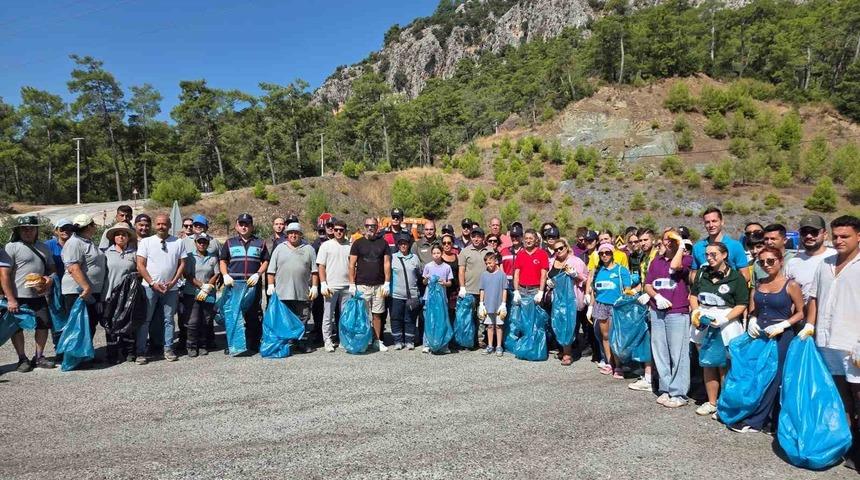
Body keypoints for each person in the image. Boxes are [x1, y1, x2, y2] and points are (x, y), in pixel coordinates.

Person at [806, 215, 860, 469]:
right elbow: (814, 298)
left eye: (845, 236)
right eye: (835, 236)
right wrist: (809, 325)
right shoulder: (824, 263)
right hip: (827, 342)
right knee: (839, 398)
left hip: (854, 345)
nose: (839, 241)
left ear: (858, 236)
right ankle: (845, 446)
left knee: (858, 397)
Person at [733, 246, 804, 433]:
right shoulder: (759, 284)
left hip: (781, 336)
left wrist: (784, 324)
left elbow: (801, 312)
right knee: (757, 375)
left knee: (773, 377)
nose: (766, 265)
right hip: (761, 335)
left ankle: (758, 421)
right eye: (762, 261)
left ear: (780, 261)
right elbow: (754, 308)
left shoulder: (791, 285)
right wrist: (752, 319)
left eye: (770, 261)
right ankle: (757, 415)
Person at [689, 242, 749, 414]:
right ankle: (712, 402)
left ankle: (725, 404)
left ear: (724, 255)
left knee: (724, 364)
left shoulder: (736, 277)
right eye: (707, 254)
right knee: (708, 363)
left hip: (725, 325)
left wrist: (725, 318)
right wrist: (696, 312)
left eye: (714, 254)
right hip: (704, 323)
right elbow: (693, 295)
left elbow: (742, 303)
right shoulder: (701, 274)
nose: (709, 258)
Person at [638, 230, 692, 404]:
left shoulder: (686, 259)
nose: (668, 242)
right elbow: (647, 284)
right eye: (666, 239)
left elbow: (675, 267)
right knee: (660, 351)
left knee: (678, 353)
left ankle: (679, 392)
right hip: (657, 311)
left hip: (677, 311)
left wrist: (680, 246)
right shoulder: (656, 262)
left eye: (672, 239)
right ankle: (666, 387)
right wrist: (657, 297)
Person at [4, 216, 56, 371]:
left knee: (43, 324)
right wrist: (10, 298)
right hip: (18, 295)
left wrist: (49, 280)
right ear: (18, 230)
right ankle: (22, 359)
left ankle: (39, 357)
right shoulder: (11, 247)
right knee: (16, 328)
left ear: (36, 230)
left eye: (31, 228)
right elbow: (4, 275)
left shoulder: (44, 247)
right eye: (24, 228)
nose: (27, 231)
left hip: (38, 294)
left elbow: (52, 269)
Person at [136, 214, 186, 363]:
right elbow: (140, 265)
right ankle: (141, 351)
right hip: (150, 287)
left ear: (170, 225)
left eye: (164, 224)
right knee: (145, 320)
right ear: (154, 226)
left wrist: (173, 282)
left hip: (170, 289)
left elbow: (182, 263)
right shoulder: (146, 242)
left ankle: (168, 349)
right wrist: (152, 283)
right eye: (158, 224)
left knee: (169, 320)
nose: (161, 227)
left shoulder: (178, 242)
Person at [220, 213, 269, 354]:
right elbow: (223, 260)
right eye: (241, 224)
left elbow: (266, 260)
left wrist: (258, 274)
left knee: (253, 314)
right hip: (234, 285)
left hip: (252, 284)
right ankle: (232, 344)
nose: (244, 227)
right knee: (233, 315)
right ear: (236, 226)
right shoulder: (229, 243)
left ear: (252, 226)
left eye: (247, 224)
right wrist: (225, 275)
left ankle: (253, 343)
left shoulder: (260, 243)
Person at [266, 222, 319, 353]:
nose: (293, 235)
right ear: (287, 234)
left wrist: (315, 287)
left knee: (302, 319)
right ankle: (285, 343)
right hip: (283, 293)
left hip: (302, 293)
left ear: (301, 234)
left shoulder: (309, 249)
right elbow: (271, 270)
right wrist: (271, 285)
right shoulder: (279, 248)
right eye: (290, 233)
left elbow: (314, 271)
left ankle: (299, 342)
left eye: (296, 233)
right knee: (284, 319)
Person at [586, 243, 632, 379]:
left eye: (607, 253)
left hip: (616, 307)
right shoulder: (598, 271)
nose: (605, 255)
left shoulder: (621, 270)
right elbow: (594, 290)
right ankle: (609, 363)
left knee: (614, 336)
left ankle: (619, 365)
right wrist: (590, 306)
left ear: (613, 254)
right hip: (601, 306)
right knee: (605, 336)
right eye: (602, 253)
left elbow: (627, 290)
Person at [61, 214, 107, 343]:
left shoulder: (87, 241)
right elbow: (73, 267)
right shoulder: (74, 243)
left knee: (90, 323)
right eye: (93, 224)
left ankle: (85, 354)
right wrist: (86, 287)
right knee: (78, 325)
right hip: (78, 291)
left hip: (91, 291)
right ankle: (75, 358)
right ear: (89, 226)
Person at [348, 217, 391, 351]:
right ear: (364, 227)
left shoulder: (383, 243)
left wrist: (387, 282)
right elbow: (351, 264)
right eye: (368, 225)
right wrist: (352, 284)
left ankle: (377, 341)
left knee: (377, 314)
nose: (370, 228)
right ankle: (363, 340)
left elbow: (386, 263)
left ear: (377, 227)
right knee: (362, 315)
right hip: (362, 285)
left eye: (373, 225)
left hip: (378, 285)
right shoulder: (357, 243)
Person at [546, 237, 587, 365]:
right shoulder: (552, 261)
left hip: (571, 298)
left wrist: (576, 275)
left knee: (569, 325)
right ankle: (563, 349)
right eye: (556, 249)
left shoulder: (576, 261)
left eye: (561, 248)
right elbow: (549, 276)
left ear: (566, 247)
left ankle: (568, 353)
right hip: (557, 299)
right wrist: (549, 284)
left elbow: (586, 279)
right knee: (557, 324)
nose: (558, 251)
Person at [101, 222, 139, 363]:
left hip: (128, 296)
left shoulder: (134, 253)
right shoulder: (105, 254)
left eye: (124, 234)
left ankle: (129, 351)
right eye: (118, 234)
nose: (121, 237)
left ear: (129, 237)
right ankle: (112, 353)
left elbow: (140, 271)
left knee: (128, 323)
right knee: (110, 325)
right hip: (109, 294)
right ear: (113, 238)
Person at [181, 233, 220, 358]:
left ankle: (203, 345)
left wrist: (207, 286)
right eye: (199, 242)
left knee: (206, 320)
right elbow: (187, 274)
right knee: (193, 321)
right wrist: (200, 286)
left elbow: (216, 274)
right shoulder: (190, 257)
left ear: (208, 243)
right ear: (195, 243)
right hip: (192, 292)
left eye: (204, 242)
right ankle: (191, 346)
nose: (202, 244)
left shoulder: (213, 258)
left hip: (208, 293)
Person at [317, 219, 352, 352]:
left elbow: (353, 266)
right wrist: (323, 283)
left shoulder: (349, 246)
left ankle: (343, 339)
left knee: (345, 316)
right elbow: (321, 266)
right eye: (336, 230)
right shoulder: (326, 245)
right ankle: (327, 340)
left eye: (341, 230)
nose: (338, 232)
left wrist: (353, 284)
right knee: (328, 315)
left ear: (345, 231)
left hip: (347, 287)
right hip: (331, 286)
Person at [785, 215, 835, 305]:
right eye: (804, 232)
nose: (809, 236)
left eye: (814, 232)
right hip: (803, 317)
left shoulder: (836, 257)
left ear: (825, 234)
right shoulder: (792, 262)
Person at [691, 207, 750, 283]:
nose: (711, 225)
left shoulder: (735, 246)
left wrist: (727, 288)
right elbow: (693, 273)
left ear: (722, 222)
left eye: (714, 221)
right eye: (707, 222)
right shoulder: (697, 247)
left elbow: (745, 274)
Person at [458, 226, 491, 348]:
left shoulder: (489, 250)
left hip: (485, 290)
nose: (476, 239)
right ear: (471, 237)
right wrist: (462, 287)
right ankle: (468, 340)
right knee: (469, 316)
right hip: (469, 289)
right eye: (474, 236)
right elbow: (461, 270)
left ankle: (480, 339)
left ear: (483, 238)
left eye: (479, 236)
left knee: (482, 316)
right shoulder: (465, 251)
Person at [422, 244, 455, 354]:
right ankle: (427, 344)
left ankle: (444, 344)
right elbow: (424, 282)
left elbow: (450, 282)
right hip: (429, 298)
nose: (436, 255)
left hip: (442, 299)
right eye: (434, 253)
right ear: (431, 254)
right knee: (429, 321)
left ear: (441, 254)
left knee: (442, 321)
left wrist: (444, 283)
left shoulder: (446, 267)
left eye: (438, 253)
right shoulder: (428, 266)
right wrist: (426, 280)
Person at [390, 235, 421, 350]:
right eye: (401, 243)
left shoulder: (414, 258)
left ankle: (409, 341)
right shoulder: (393, 257)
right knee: (396, 318)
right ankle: (398, 341)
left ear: (409, 245)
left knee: (410, 318)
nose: (403, 245)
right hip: (396, 294)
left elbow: (418, 273)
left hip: (411, 294)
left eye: (406, 243)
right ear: (398, 245)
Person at [479, 252, 508, 356]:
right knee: (490, 326)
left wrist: (504, 303)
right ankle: (490, 345)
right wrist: (481, 303)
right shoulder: (484, 275)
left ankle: (499, 346)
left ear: (496, 261)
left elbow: (504, 290)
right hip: (488, 305)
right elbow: (482, 289)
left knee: (499, 326)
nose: (488, 265)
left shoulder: (502, 275)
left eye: (490, 263)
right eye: (486, 263)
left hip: (499, 305)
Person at [512, 229, 549, 307]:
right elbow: (516, 274)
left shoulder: (542, 254)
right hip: (522, 289)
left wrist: (541, 292)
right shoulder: (520, 254)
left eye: (531, 238)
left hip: (535, 290)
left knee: (536, 316)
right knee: (522, 316)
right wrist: (516, 291)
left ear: (535, 240)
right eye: (526, 238)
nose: (528, 241)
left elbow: (543, 275)